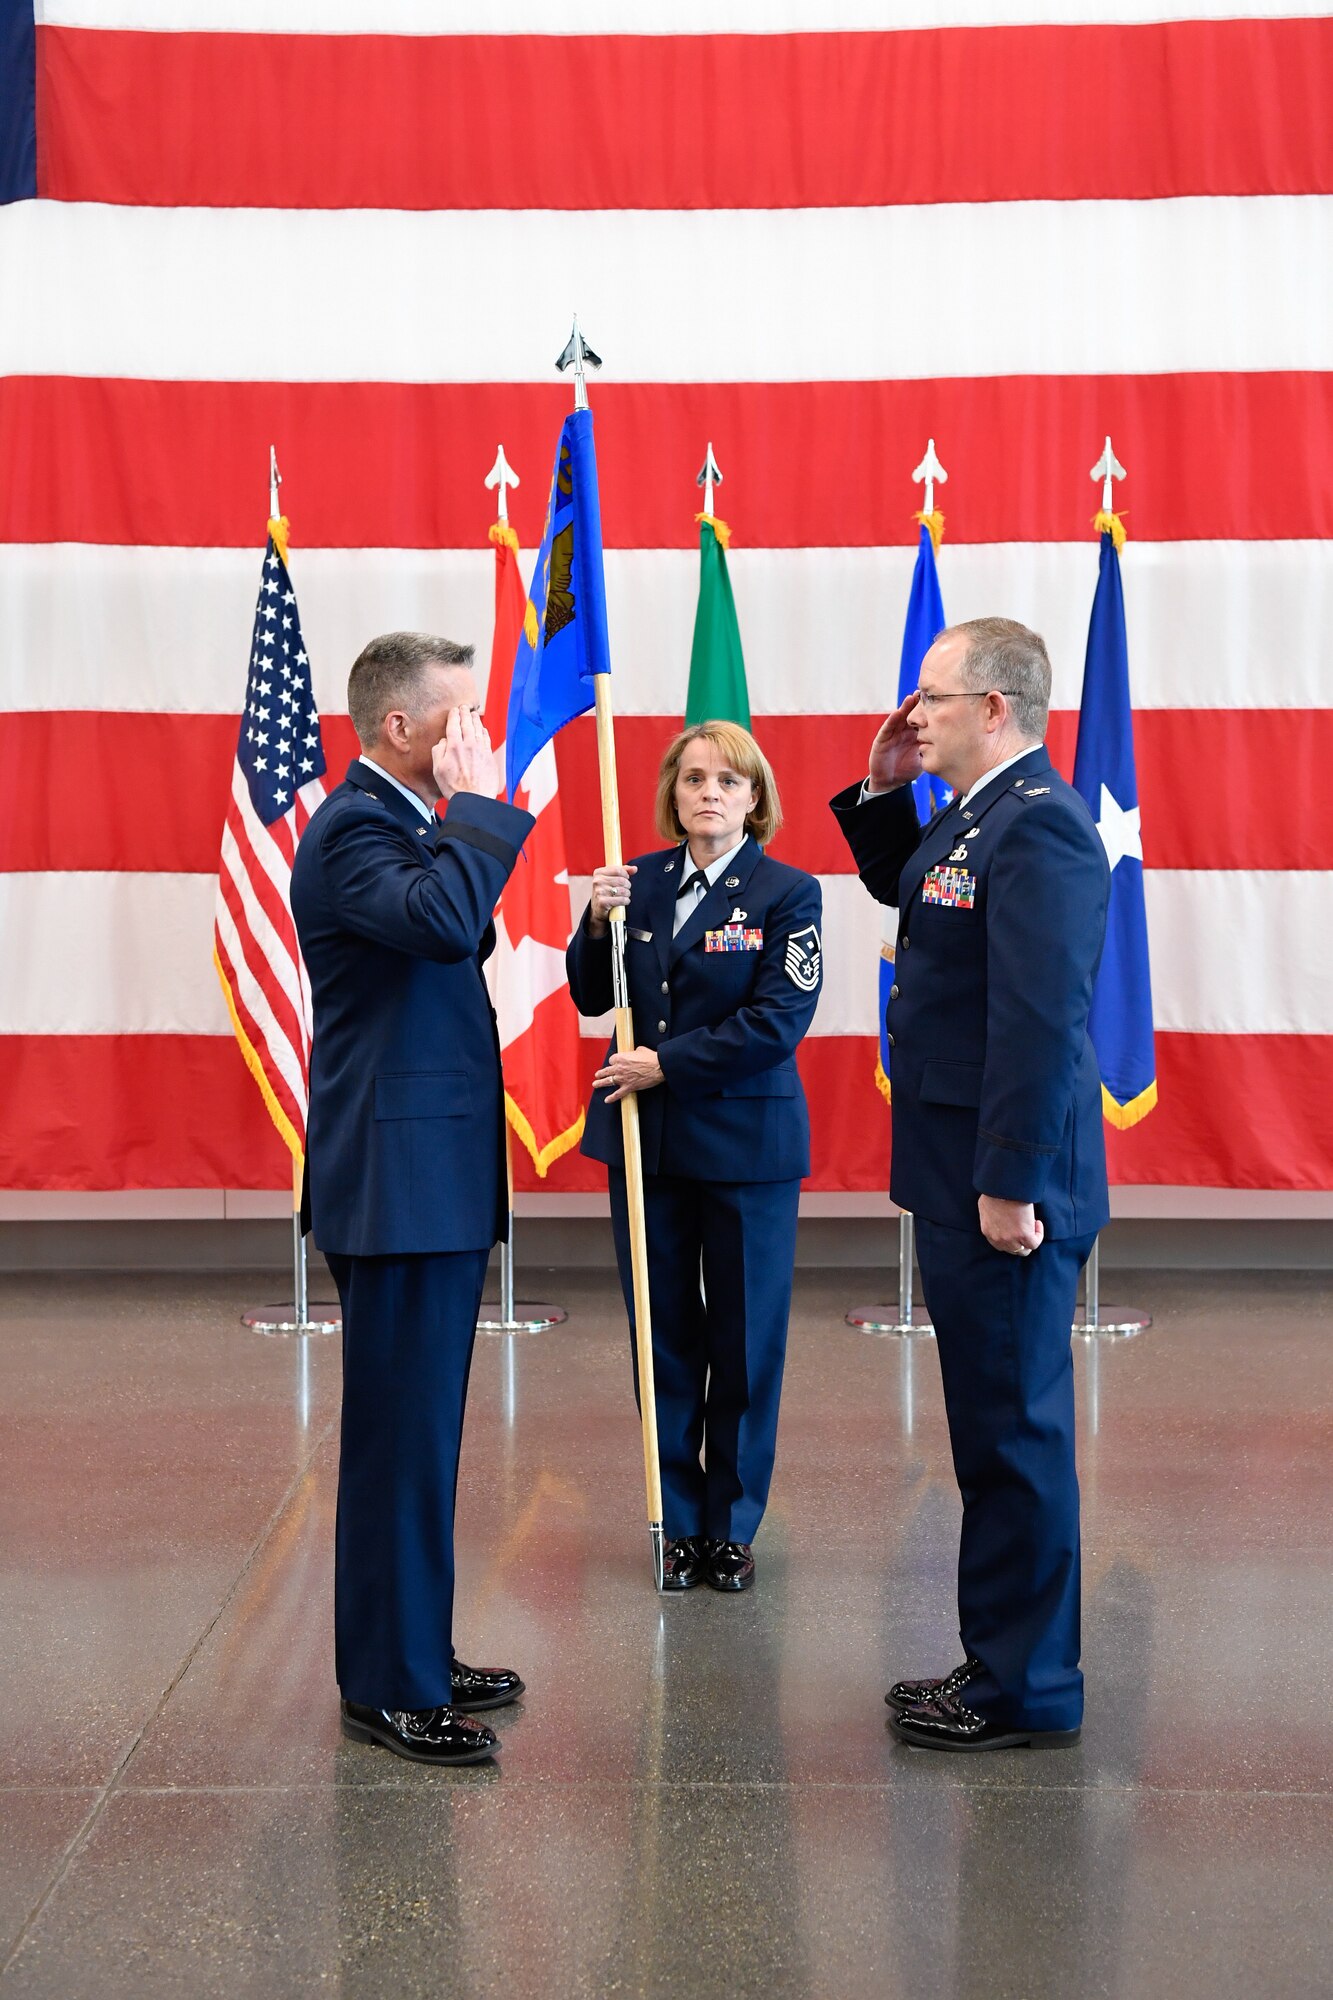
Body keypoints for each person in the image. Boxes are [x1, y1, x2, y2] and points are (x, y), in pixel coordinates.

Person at [830, 617, 1111, 1752]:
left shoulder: (1041, 832)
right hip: (963, 1174)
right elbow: (909, 885)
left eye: (933, 698)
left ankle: (1027, 1686)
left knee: (1014, 1437)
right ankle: (998, 1657)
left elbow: (1041, 1027)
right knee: (987, 1434)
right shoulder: (974, 818)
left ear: (996, 707)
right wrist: (881, 784)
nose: (914, 714)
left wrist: (1009, 1182)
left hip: (1004, 1189)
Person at [290, 630, 535, 1767]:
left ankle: (416, 1650)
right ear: (405, 728)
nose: (477, 734)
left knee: (425, 1434)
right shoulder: (352, 832)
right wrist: (478, 807)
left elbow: (457, 924)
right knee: (398, 1439)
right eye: (463, 715)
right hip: (394, 1186)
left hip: (428, 1179)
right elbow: (446, 921)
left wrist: (460, 822)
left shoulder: (401, 827)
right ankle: (387, 1683)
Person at [567, 721, 822, 1594]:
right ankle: (675, 1523)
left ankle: (731, 1526)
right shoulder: (634, 883)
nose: (708, 792)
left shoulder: (788, 892)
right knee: (664, 1338)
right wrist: (593, 921)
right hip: (649, 1144)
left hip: (746, 1144)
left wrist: (664, 1063)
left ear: (756, 800)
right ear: (672, 794)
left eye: (729, 780)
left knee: (745, 1343)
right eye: (693, 778)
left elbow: (777, 1021)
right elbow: (594, 995)